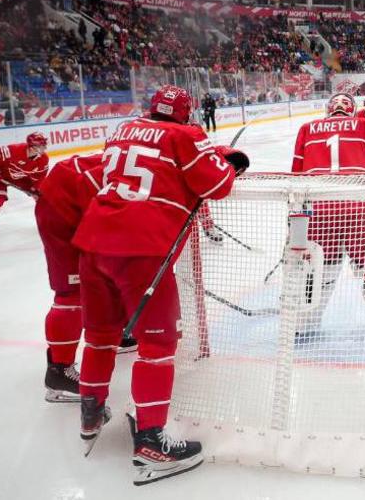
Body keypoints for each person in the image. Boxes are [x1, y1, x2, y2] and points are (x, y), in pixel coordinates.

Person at [72, 85, 247, 484]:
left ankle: (91, 412)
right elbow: (216, 186)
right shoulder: (186, 135)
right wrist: (226, 160)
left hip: (93, 242)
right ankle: (151, 442)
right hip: (142, 250)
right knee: (157, 346)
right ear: (186, 114)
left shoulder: (122, 129)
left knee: (101, 337)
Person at [291, 93, 365, 341]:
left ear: (329, 110)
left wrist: (296, 222)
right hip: (361, 210)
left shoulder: (307, 128)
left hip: (320, 210)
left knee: (318, 270)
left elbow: (296, 178)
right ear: (353, 110)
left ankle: (303, 323)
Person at [34, 152, 137, 403]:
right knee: (71, 293)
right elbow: (87, 193)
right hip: (62, 211)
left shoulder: (146, 159)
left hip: (74, 204)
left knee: (110, 272)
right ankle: (59, 370)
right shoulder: (147, 170)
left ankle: (121, 329)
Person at [0, 132, 49, 245]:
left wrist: (35, 191)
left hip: (19, 178)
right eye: (40, 145)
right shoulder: (13, 150)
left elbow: (39, 179)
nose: (44, 148)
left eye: (44, 145)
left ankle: (47, 222)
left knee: (42, 196)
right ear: (31, 146)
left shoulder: (43, 160)